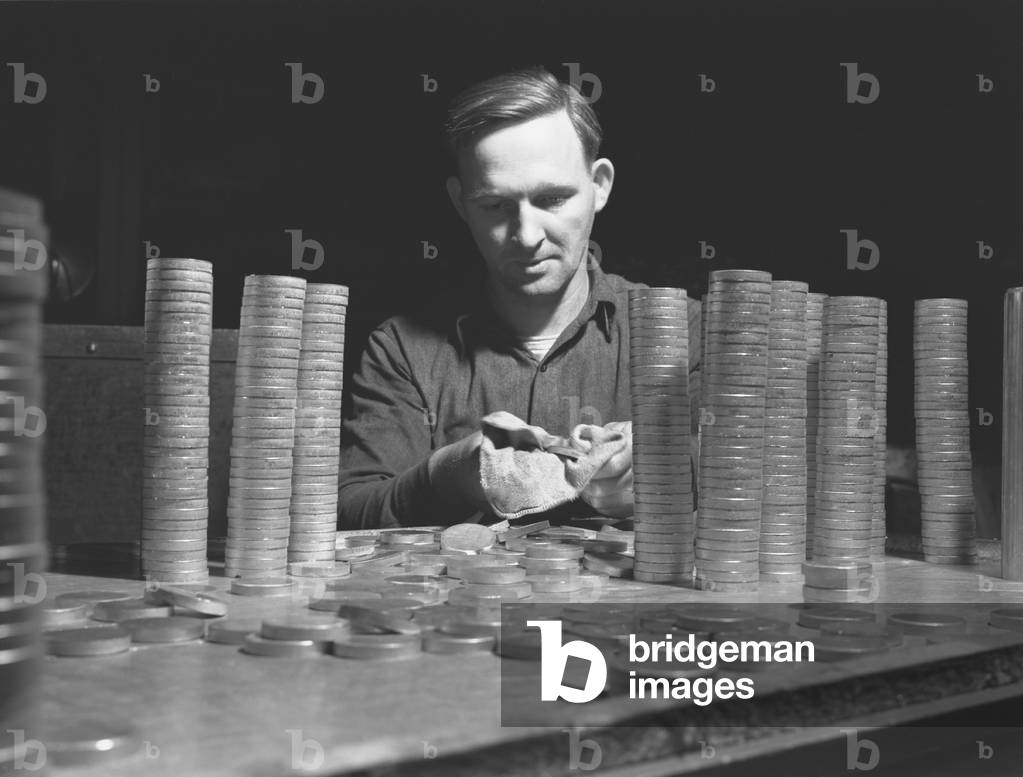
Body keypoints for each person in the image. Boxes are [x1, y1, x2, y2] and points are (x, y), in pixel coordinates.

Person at [338, 66, 700, 530]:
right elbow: (350, 511)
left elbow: (761, 469)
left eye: (551, 200)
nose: (527, 236)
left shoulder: (686, 333)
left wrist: (668, 472)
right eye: (495, 206)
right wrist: (449, 473)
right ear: (460, 203)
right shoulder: (401, 350)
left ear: (600, 186)